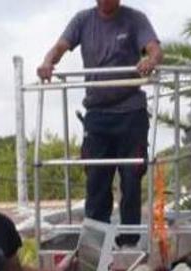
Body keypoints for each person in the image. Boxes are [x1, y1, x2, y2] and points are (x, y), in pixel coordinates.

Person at [37, 0, 162, 246]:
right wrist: (48, 61)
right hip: (97, 114)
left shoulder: (135, 19)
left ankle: (128, 242)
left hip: (130, 112)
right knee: (96, 180)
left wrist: (150, 60)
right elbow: (60, 46)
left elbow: (155, 49)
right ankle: (95, 244)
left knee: (131, 178)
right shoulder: (83, 20)